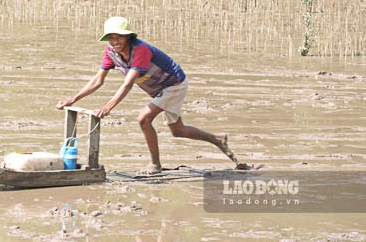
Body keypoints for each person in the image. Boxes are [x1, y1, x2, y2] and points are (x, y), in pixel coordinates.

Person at [56, 16, 238, 173]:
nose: (114, 41)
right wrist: (73, 99)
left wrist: (107, 107)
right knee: (178, 130)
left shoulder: (140, 50)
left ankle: (155, 164)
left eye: (118, 37)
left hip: (173, 84)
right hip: (158, 89)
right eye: (110, 38)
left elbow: (128, 83)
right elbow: (98, 81)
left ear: (127, 37)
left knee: (143, 118)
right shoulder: (111, 52)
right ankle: (217, 139)